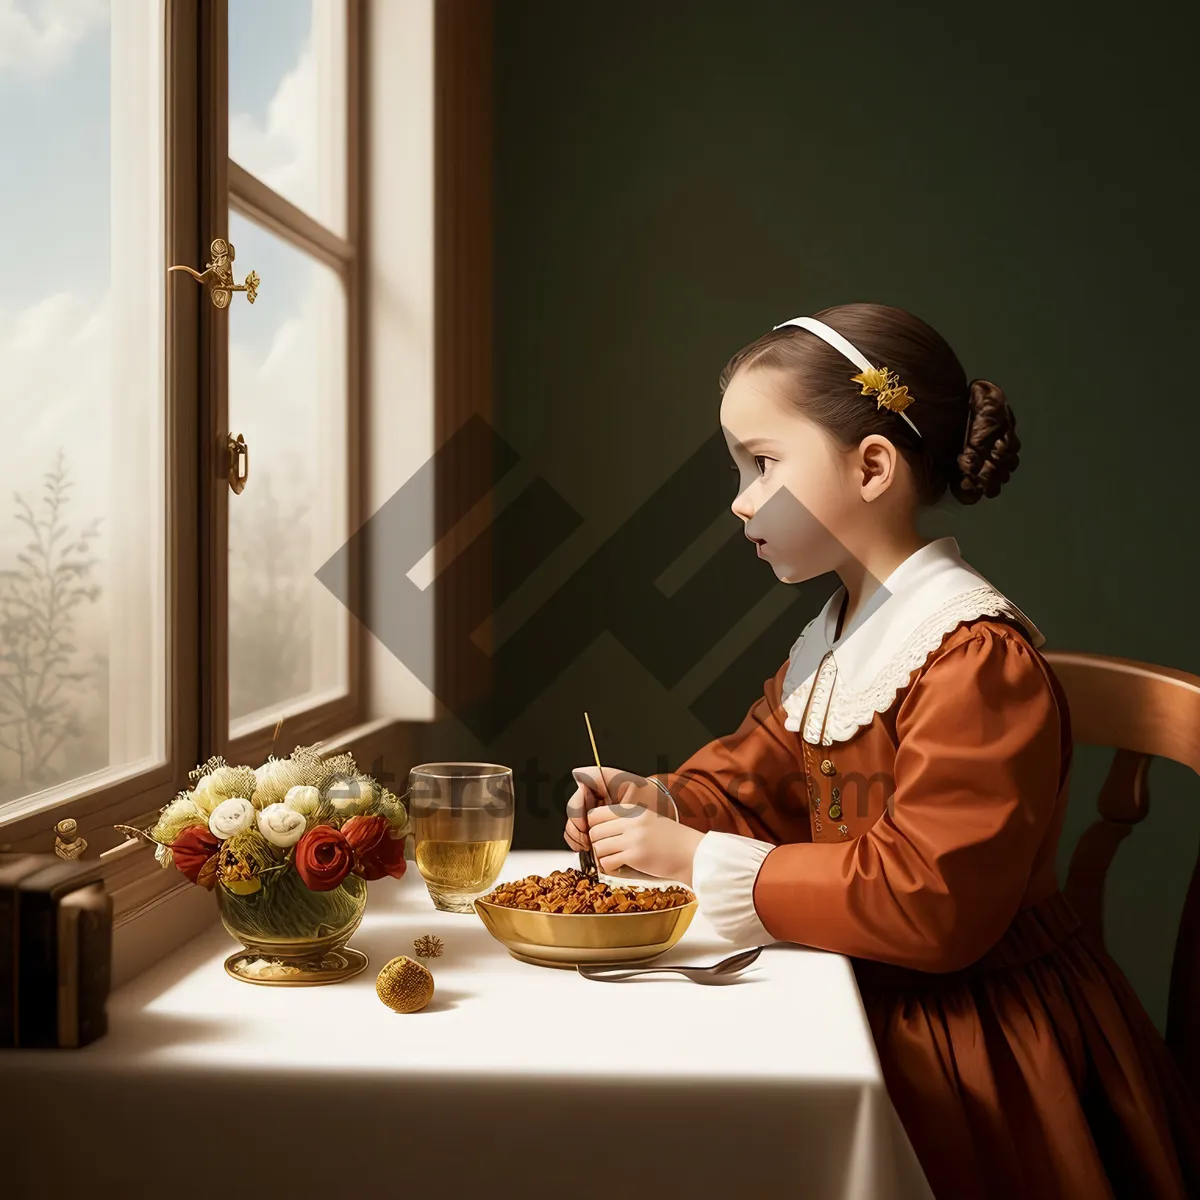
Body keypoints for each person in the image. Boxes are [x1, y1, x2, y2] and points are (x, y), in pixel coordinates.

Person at [563, 303, 1200, 1199]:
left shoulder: (973, 656)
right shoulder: (841, 633)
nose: (740, 498)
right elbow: (760, 777)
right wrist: (665, 804)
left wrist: (702, 861)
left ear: (871, 466)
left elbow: (932, 901)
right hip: (855, 986)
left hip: (973, 1040)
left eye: (762, 463)